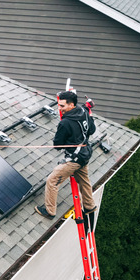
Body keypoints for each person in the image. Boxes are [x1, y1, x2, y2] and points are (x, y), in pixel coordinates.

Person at [35, 90, 97, 219]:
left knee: (52, 181)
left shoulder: (65, 122)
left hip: (75, 159)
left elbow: (58, 145)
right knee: (84, 181)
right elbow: (92, 130)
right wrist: (89, 111)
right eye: (59, 105)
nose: (59, 108)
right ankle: (90, 206)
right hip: (85, 153)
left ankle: (50, 211)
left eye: (62, 106)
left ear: (71, 105)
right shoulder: (84, 111)